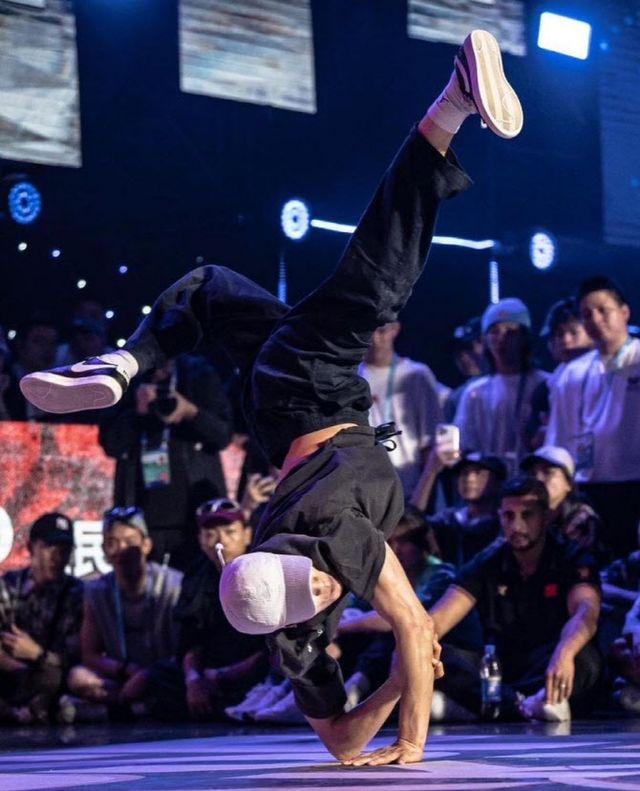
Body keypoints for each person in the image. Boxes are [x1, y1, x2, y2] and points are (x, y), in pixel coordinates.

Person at [21, 29, 522, 764]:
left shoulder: (332, 544)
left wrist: (412, 742)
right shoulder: (290, 629)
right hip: (276, 406)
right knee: (212, 288)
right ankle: (127, 361)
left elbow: (415, 629)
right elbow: (341, 741)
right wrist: (389, 690)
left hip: (312, 391)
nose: (326, 586)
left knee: (373, 285)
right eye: (318, 590)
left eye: (314, 581)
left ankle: (452, 101)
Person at [429, 477, 603, 722]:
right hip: (501, 669)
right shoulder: (488, 562)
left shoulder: (572, 557)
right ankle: (522, 705)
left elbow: (586, 613)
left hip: (550, 662)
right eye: (508, 516)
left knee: (586, 658)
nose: (516, 526)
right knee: (437, 654)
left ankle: (488, 707)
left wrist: (564, 653)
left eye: (527, 515)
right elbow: (439, 618)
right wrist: (419, 643)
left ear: (546, 517)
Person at [99, 353, 232, 570]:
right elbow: (110, 444)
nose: (160, 370)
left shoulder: (199, 374)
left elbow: (223, 436)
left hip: (195, 517)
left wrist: (190, 412)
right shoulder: (125, 379)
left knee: (197, 581)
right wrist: (136, 412)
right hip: (142, 519)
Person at [546, 275, 640, 558]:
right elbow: (559, 441)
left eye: (603, 310)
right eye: (587, 314)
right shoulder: (571, 374)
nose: (596, 319)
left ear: (624, 312)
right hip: (589, 488)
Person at [150, 498, 268, 721]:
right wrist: (194, 680)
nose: (220, 541)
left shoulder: (264, 571)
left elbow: (272, 645)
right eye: (210, 534)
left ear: (247, 535)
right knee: (159, 676)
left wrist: (224, 675)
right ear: (200, 540)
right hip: (211, 669)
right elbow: (190, 640)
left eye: (230, 532)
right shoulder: (196, 578)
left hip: (250, 666)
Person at [64, 507, 182, 721]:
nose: (121, 549)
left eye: (129, 541)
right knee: (78, 677)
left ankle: (129, 706)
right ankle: (136, 705)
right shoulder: (96, 591)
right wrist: (126, 670)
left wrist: (148, 675)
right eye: (112, 543)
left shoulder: (173, 584)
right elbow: (90, 654)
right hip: (123, 675)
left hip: (164, 672)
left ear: (146, 545)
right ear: (104, 550)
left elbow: (185, 650)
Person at [0, 513, 83, 723]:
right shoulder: (9, 585)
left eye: (64, 550)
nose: (57, 557)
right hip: (12, 673)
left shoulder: (77, 594)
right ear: (31, 548)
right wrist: (20, 668)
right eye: (49, 547)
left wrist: (36, 654)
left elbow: (75, 658)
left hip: (51, 679)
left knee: (64, 677)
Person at [454, 297, 548, 475]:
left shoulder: (545, 384)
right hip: (488, 482)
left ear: (524, 337)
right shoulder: (475, 392)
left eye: (510, 332)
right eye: (494, 332)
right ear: (485, 340)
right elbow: (465, 445)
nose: (501, 339)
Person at [358, 321, 443, 498]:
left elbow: (430, 443)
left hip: (410, 489)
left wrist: (423, 495)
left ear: (395, 329)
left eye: (382, 331)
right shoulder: (351, 377)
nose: (375, 339)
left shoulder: (416, 375)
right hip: (365, 490)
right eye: (368, 331)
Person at [412, 451, 506, 567]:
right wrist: (431, 471)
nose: (469, 479)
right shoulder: (447, 520)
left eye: (478, 473)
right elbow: (411, 522)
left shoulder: (503, 525)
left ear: (497, 481)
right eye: (464, 473)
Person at [526, 298, 594, 449]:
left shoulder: (605, 375)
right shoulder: (545, 390)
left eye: (573, 332)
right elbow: (531, 438)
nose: (566, 340)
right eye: (558, 334)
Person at [520, 445, 604, 557]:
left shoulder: (581, 519)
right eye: (532, 473)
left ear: (568, 484)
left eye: (547, 472)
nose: (537, 479)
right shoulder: (523, 513)